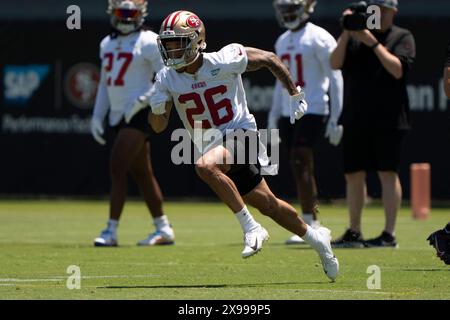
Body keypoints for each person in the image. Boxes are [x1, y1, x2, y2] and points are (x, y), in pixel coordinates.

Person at [148, 10, 339, 280]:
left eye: (177, 43)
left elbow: (270, 60)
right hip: (214, 145)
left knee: (204, 166)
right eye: (167, 45)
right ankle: (318, 240)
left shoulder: (225, 59)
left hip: (242, 136)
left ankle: (251, 229)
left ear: (196, 40)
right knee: (270, 205)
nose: (171, 51)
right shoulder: (166, 78)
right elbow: (158, 127)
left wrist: (295, 93)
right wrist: (156, 108)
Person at [329, 0, 415, 248]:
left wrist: (373, 43)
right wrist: (347, 30)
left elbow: (398, 70)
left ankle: (389, 234)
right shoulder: (354, 37)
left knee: (387, 173)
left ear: (392, 12)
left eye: (383, 10)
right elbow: (334, 63)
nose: (377, 14)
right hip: (356, 117)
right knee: (353, 174)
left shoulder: (401, 36)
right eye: (373, 10)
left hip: (389, 118)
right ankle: (354, 231)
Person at [90, 0, 175, 247]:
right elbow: (106, 83)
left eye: (131, 13)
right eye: (121, 13)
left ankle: (111, 230)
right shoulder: (106, 43)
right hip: (119, 114)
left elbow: (165, 77)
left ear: (141, 15)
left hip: (140, 113)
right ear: (112, 14)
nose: (126, 18)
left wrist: (142, 100)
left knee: (117, 166)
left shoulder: (149, 40)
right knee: (142, 173)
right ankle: (164, 228)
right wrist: (98, 115)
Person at [270, 0, 344, 245]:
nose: (288, 13)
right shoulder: (281, 41)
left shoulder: (319, 37)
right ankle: (309, 220)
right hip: (289, 110)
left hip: (313, 107)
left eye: (292, 7)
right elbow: (278, 83)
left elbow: (335, 77)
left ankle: (311, 224)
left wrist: (336, 116)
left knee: (301, 159)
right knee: (298, 164)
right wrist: (274, 114)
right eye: (284, 8)